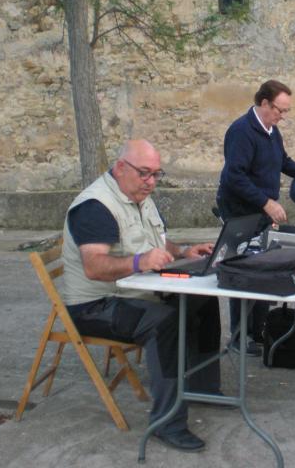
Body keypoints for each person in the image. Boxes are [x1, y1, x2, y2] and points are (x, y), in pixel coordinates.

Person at [61, 139, 220, 453]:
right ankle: (167, 423)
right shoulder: (95, 206)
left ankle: (203, 388)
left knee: (204, 298)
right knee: (164, 323)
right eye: (144, 173)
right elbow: (94, 267)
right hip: (95, 306)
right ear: (121, 167)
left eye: (156, 174)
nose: (151, 182)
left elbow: (156, 240)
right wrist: (139, 261)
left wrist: (183, 251)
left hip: (136, 291)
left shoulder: (138, 195)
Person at [216, 79, 295, 356]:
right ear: (264, 103)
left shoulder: (272, 131)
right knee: (242, 274)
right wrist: (266, 202)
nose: (283, 116)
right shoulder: (241, 131)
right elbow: (234, 177)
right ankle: (239, 338)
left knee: (264, 271)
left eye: (286, 111)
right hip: (240, 212)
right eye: (280, 110)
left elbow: (284, 162)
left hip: (261, 212)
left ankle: (259, 332)